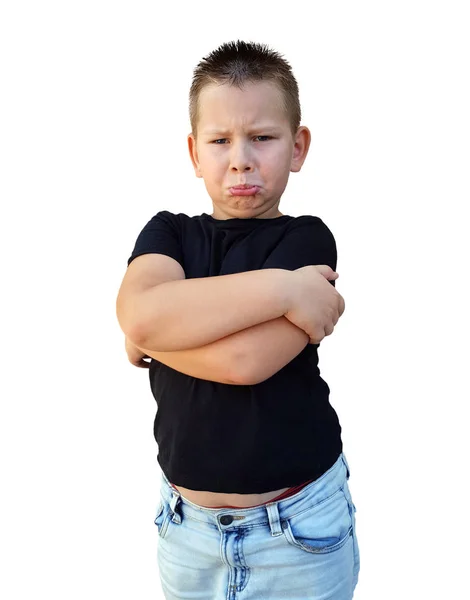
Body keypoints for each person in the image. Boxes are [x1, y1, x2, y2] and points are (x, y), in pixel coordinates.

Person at [116, 40, 360, 599]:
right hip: (186, 532)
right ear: (193, 152)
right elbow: (138, 313)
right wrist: (282, 288)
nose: (241, 159)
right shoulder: (169, 233)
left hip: (298, 531)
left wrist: (152, 333)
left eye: (263, 138)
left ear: (298, 147)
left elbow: (246, 361)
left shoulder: (306, 239)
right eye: (220, 140)